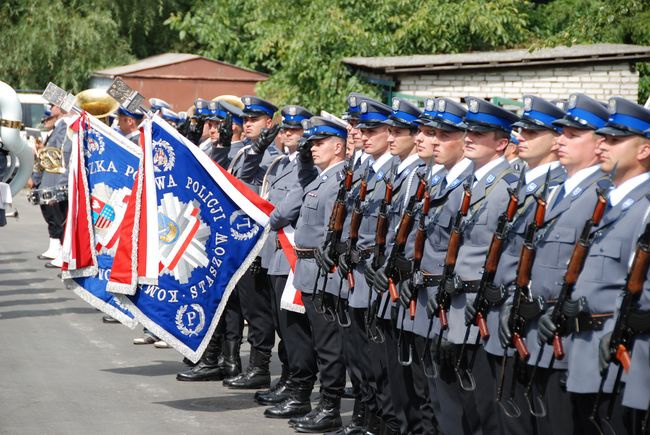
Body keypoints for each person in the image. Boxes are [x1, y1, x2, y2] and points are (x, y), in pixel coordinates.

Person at [548, 97, 650, 434]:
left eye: (616, 140)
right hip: (583, 359)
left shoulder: (644, 209)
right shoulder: (605, 206)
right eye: (602, 137)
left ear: (644, 150)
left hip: (620, 365)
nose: (602, 145)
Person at [521, 93, 610, 434]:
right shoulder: (556, 190)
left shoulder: (599, 197)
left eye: (574, 135)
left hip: (570, 339)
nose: (561, 141)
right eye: (560, 133)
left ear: (599, 143)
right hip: (536, 333)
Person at [290, 116, 349, 433]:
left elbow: (333, 233)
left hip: (325, 272)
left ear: (338, 147)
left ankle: (331, 407)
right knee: (319, 341)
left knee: (329, 347)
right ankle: (324, 406)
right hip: (308, 271)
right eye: (311, 143)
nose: (312, 148)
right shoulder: (322, 178)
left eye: (319, 143)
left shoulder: (339, 180)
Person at [31, 104, 72, 269]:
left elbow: (62, 153)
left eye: (54, 106)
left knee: (58, 217)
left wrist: (44, 151)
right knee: (51, 216)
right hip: (50, 176)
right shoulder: (60, 126)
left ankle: (62, 252)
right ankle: (55, 248)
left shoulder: (65, 125)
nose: (51, 107)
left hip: (56, 177)